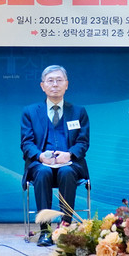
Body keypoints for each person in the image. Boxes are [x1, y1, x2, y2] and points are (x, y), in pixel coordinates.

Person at [20, 65, 90, 246]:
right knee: (42, 173)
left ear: (66, 84)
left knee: (67, 173)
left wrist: (69, 155)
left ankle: (64, 228)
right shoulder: (30, 112)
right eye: (50, 81)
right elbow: (26, 143)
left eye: (59, 80)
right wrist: (41, 156)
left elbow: (83, 143)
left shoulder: (78, 111)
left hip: (70, 164)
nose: (55, 84)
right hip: (40, 163)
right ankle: (45, 230)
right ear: (42, 86)